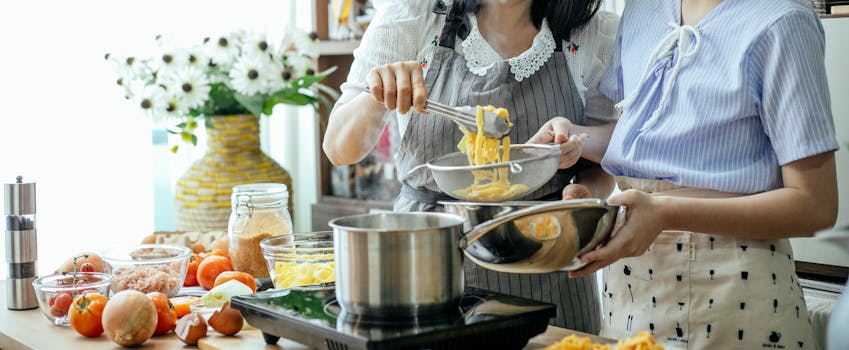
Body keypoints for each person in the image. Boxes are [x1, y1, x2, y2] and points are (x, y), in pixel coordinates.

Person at [323, 0, 619, 332]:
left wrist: (585, 193)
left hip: (548, 261)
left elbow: (605, 160)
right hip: (427, 264)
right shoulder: (414, 15)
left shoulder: (592, 32)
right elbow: (338, 148)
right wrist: (375, 95)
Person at [561, 0, 839, 348]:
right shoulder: (642, 10)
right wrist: (575, 138)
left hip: (735, 296)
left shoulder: (782, 20)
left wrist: (665, 212)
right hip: (631, 297)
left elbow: (815, 205)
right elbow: (641, 139)